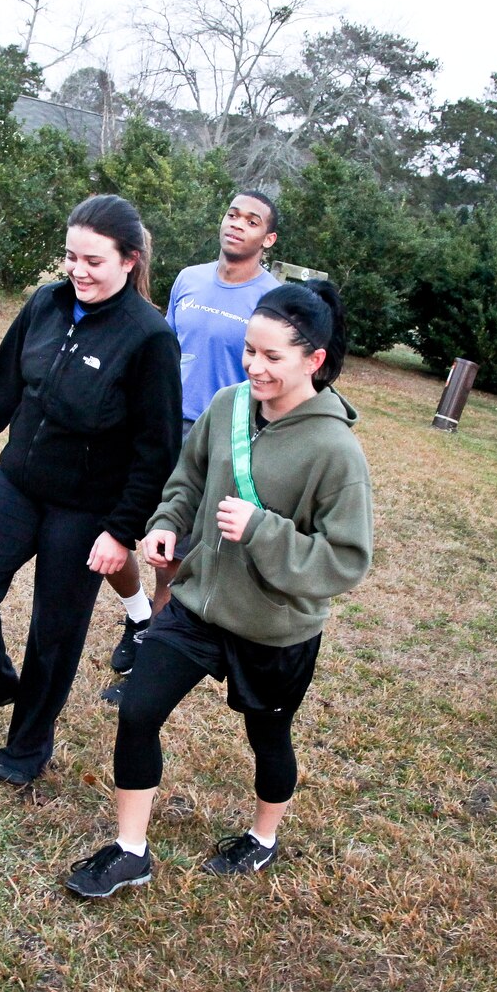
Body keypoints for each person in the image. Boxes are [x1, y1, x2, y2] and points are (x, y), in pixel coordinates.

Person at [64, 280, 372, 899]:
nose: (254, 367)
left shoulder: (336, 450)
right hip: (198, 603)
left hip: (275, 627)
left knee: (268, 737)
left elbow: (346, 560)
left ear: (314, 360)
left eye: (271, 357)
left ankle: (262, 838)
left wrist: (263, 531)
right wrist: (165, 525)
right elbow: (188, 477)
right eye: (248, 352)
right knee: (138, 709)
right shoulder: (229, 405)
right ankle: (130, 852)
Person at [0, 195, 182, 786]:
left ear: (129, 261)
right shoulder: (46, 303)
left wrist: (121, 530)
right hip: (18, 484)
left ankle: (26, 749)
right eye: (71, 256)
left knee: (55, 632)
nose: (78, 270)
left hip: (88, 510)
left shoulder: (148, 338)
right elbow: (2, 384)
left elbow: (157, 447)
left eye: (93, 259)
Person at [101, 192, 281, 685]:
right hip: (155, 425)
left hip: (214, 436)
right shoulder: (189, 279)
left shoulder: (270, 298)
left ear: (267, 239)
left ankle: (147, 664)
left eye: (252, 221)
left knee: (169, 559)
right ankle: (139, 617)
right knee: (109, 531)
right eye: (232, 214)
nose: (236, 225)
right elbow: (161, 350)